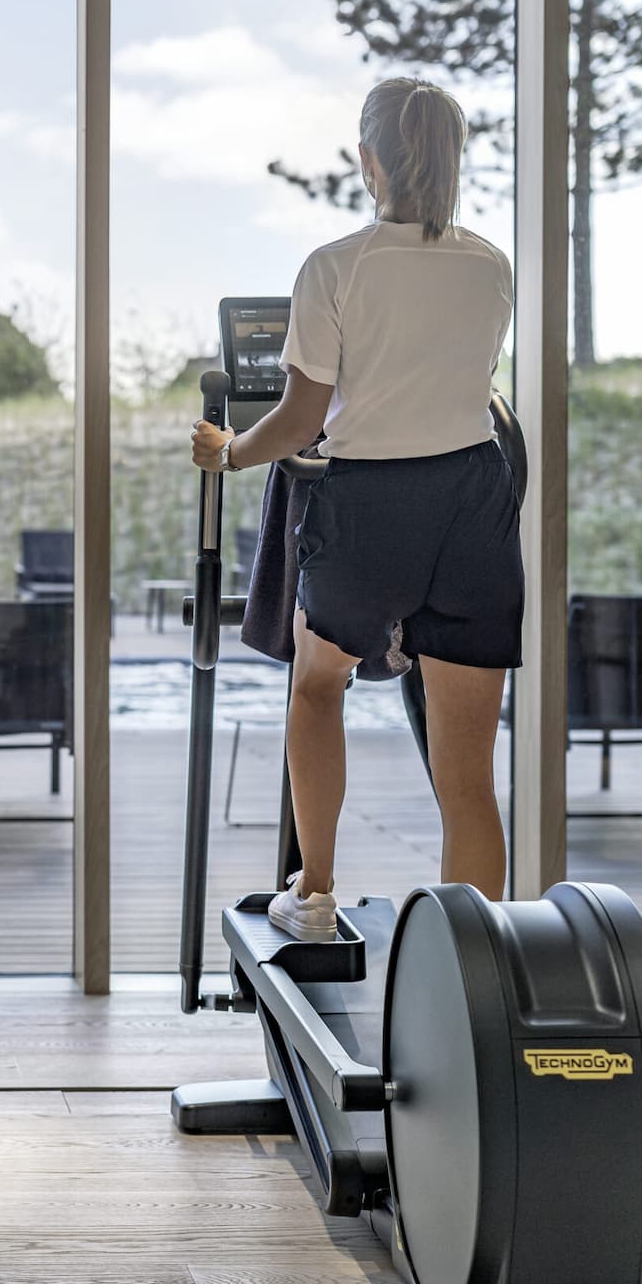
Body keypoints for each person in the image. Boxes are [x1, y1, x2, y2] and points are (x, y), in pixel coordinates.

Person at [191, 77, 517, 941]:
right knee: (469, 776)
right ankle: (475, 957)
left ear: (369, 160)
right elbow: (464, 388)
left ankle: (318, 891)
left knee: (317, 684)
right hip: (475, 503)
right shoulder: (491, 265)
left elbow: (301, 420)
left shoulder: (334, 268)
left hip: (369, 501)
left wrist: (227, 452)